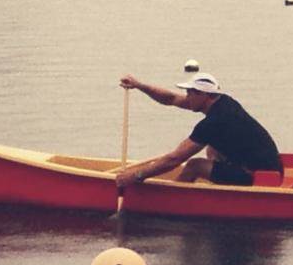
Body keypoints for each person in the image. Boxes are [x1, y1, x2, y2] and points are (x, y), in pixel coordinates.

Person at [114, 72, 282, 191]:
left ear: (204, 95)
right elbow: (171, 99)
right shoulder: (223, 101)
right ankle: (220, 189)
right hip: (270, 166)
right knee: (212, 148)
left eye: (190, 93)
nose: (187, 97)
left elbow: (174, 159)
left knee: (194, 166)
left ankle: (175, 202)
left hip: (259, 176)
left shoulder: (213, 122)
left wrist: (136, 176)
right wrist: (139, 85)